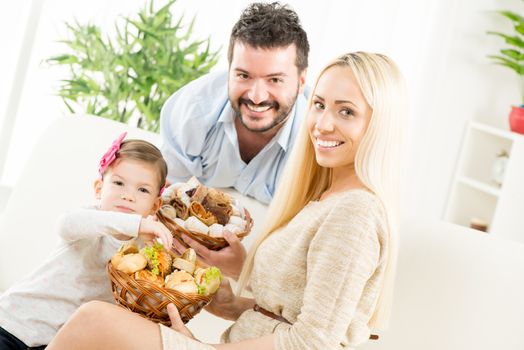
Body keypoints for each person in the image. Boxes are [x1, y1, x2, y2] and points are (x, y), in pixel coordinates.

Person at [47, 51, 406, 350]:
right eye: (318, 105)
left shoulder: (355, 212)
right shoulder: (324, 199)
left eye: (347, 111)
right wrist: (234, 305)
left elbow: (314, 341)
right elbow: (290, 315)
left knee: (94, 320)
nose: (323, 124)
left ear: (380, 124)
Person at [0, 133, 174, 349]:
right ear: (99, 189)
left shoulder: (143, 250)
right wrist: (138, 224)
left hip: (54, 342)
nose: (128, 195)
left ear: (155, 205)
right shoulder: (90, 221)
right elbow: (67, 223)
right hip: (13, 323)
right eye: (119, 183)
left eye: (143, 190)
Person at [160, 2, 310, 205]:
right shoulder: (193, 110)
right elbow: (167, 193)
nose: (257, 97)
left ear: (301, 82)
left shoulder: (315, 139)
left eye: (274, 79)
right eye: (243, 75)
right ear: (229, 71)